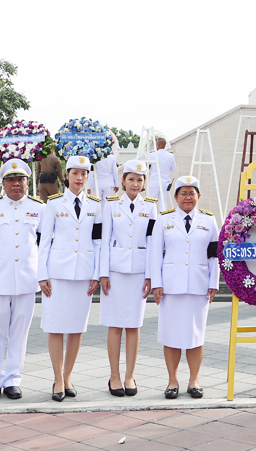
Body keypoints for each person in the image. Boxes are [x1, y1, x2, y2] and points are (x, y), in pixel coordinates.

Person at [0, 158, 44, 401]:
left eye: (20, 179)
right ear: (3, 183)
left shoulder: (39, 208)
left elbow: (45, 246)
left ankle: (13, 378)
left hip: (27, 280)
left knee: (20, 333)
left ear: (27, 182)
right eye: (11, 180)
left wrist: (43, 276)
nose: (16, 184)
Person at [38, 155, 103, 401]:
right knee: (55, 327)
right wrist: (42, 274)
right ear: (66, 175)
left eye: (84, 174)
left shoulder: (95, 205)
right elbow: (44, 242)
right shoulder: (54, 203)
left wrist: (96, 274)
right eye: (75, 173)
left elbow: (98, 243)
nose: (79, 178)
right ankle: (57, 378)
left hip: (84, 275)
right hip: (57, 275)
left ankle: (67, 377)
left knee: (76, 328)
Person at [151, 175, 219, 399]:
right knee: (170, 335)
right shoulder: (164, 219)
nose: (188, 197)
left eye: (192, 193)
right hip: (170, 287)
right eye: (183, 193)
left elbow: (214, 255)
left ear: (199, 196)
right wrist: (156, 283)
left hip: (199, 285)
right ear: (176, 197)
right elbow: (155, 253)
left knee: (196, 336)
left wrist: (213, 282)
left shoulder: (209, 220)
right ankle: (172, 381)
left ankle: (194, 380)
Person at [99, 159, 158, 397]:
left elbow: (153, 244)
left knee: (134, 325)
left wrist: (150, 276)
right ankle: (114, 376)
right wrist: (103, 273)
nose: (135, 183)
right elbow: (104, 240)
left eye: (139, 180)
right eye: (131, 179)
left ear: (144, 183)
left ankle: (129, 375)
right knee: (115, 325)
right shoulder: (112, 205)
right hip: (114, 273)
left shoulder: (150, 207)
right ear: (123, 181)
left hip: (139, 274)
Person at [148, 136, 178, 210]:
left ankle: (150, 217)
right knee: (163, 203)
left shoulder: (152, 154)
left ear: (157, 145)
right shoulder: (170, 156)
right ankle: (163, 216)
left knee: (151, 202)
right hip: (165, 182)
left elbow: (147, 167)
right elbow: (174, 169)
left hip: (154, 182)